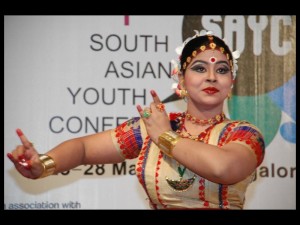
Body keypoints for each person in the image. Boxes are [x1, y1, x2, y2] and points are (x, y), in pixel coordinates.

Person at [7, 30, 265, 209]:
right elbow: (84, 149)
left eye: (221, 70)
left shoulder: (243, 134)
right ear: (180, 80)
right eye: (199, 68)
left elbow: (225, 169)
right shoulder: (151, 127)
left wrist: (165, 137)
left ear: (231, 83)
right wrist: (43, 164)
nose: (211, 76)